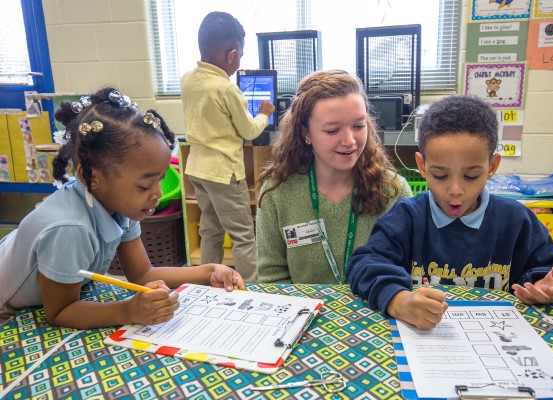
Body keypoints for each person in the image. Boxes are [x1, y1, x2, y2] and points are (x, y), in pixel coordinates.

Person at [0, 87, 245, 328]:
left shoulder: (117, 206)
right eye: (143, 186)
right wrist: (128, 310)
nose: (157, 194)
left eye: (159, 180)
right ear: (90, 176)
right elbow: (60, 311)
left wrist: (209, 271)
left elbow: (142, 274)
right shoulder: (70, 228)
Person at [347, 95, 553, 329]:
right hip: (425, 342)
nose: (455, 190)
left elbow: (546, 269)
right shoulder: (407, 217)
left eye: (471, 176)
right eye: (440, 175)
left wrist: (545, 285)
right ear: (422, 166)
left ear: (492, 166)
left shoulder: (516, 220)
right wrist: (398, 299)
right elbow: (363, 265)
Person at [255, 70, 413, 284]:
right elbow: (272, 278)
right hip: (305, 313)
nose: (349, 141)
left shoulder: (393, 191)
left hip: (375, 312)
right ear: (306, 133)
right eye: (332, 130)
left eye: (359, 126)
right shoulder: (277, 192)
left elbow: (406, 273)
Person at [180, 11, 275, 282]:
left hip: (197, 168)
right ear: (231, 55)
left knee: (209, 229)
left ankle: (205, 283)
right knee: (243, 236)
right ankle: (252, 289)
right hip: (224, 173)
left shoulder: (188, 79)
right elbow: (248, 130)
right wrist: (264, 113)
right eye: (241, 56)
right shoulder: (226, 89)